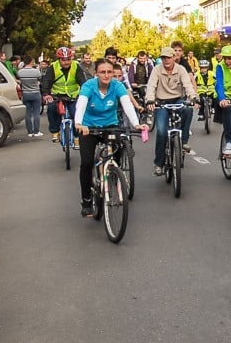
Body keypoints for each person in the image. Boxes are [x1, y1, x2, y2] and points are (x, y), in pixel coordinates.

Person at [75, 58, 147, 217]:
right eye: (102, 72)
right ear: (96, 73)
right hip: (89, 128)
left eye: (109, 72)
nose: (107, 75)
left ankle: (113, 172)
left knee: (119, 144)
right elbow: (81, 104)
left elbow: (126, 104)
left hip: (110, 125)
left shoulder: (117, 86)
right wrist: (79, 123)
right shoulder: (89, 86)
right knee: (86, 163)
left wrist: (136, 124)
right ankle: (86, 200)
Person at [145, 47, 198, 176]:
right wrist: (150, 100)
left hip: (177, 100)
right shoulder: (157, 70)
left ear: (174, 57)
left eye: (168, 57)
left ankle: (184, 141)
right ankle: (158, 163)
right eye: (163, 58)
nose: (166, 60)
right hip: (161, 102)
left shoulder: (181, 69)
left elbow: (187, 85)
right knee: (162, 132)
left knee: (188, 110)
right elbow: (151, 86)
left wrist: (193, 97)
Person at [42, 47, 89, 145]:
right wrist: (46, 94)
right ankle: (55, 132)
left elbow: (82, 82)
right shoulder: (53, 67)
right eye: (63, 60)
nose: (66, 62)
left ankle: (77, 136)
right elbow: (46, 81)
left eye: (68, 59)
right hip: (57, 95)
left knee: (76, 113)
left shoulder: (76, 66)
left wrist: (85, 94)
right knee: (51, 108)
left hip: (73, 95)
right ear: (59, 59)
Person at [214, 45, 231, 156]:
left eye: (230, 58)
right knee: (228, 111)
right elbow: (219, 84)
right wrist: (222, 99)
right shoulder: (220, 67)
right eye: (225, 58)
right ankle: (229, 141)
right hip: (226, 97)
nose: (227, 61)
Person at [16, 56, 44, 137]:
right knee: (36, 113)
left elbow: (19, 81)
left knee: (27, 113)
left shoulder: (20, 72)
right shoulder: (36, 71)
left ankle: (29, 132)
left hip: (25, 94)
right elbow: (40, 80)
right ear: (31, 62)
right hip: (35, 93)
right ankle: (36, 131)